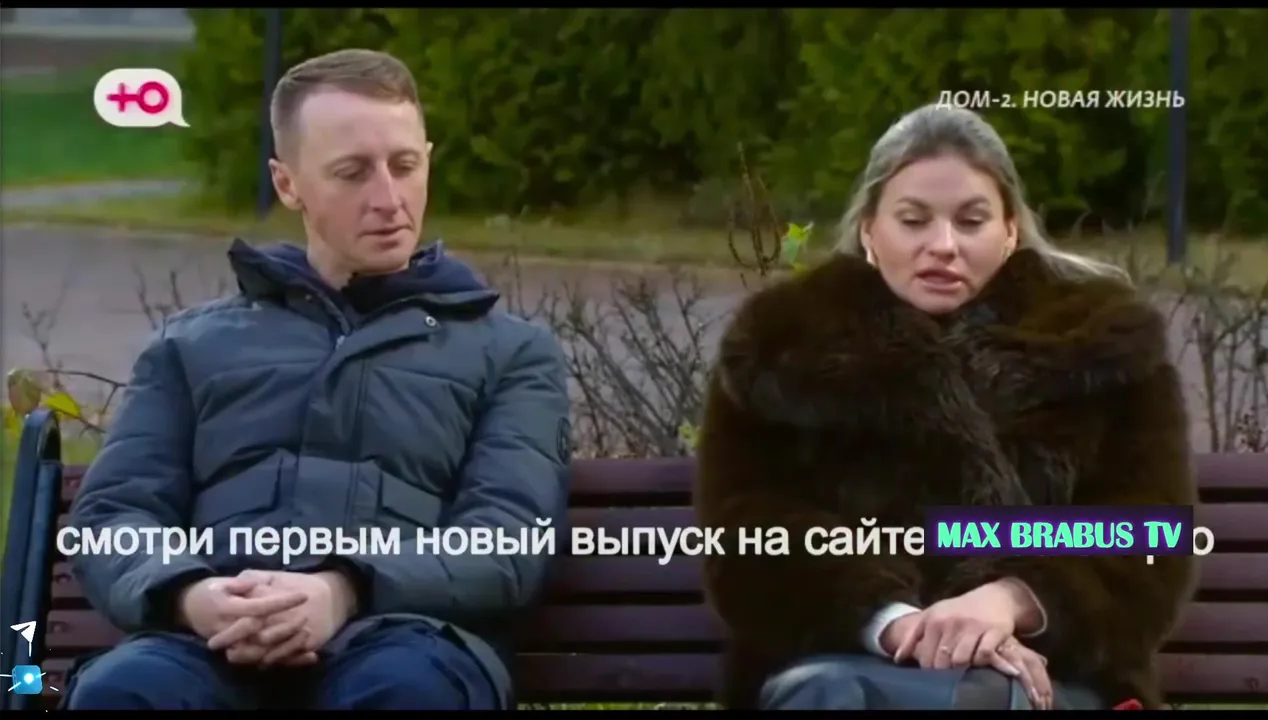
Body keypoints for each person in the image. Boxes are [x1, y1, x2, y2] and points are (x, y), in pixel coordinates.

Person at [63, 48, 572, 710]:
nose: (388, 199)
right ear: (287, 184)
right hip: (210, 641)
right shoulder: (189, 348)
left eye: (405, 166)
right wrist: (191, 596)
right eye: (352, 173)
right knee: (127, 691)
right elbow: (114, 516)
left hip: (405, 638)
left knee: (404, 691)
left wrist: (342, 591)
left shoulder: (510, 353)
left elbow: (507, 542)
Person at [694, 103, 1198, 711]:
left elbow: (1147, 534)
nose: (943, 246)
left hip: (1056, 680)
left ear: (1010, 230)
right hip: (839, 668)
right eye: (913, 220)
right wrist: (895, 623)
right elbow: (747, 534)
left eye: (971, 221)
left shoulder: (1104, 347)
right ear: (869, 230)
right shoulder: (781, 349)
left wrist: (1012, 601)